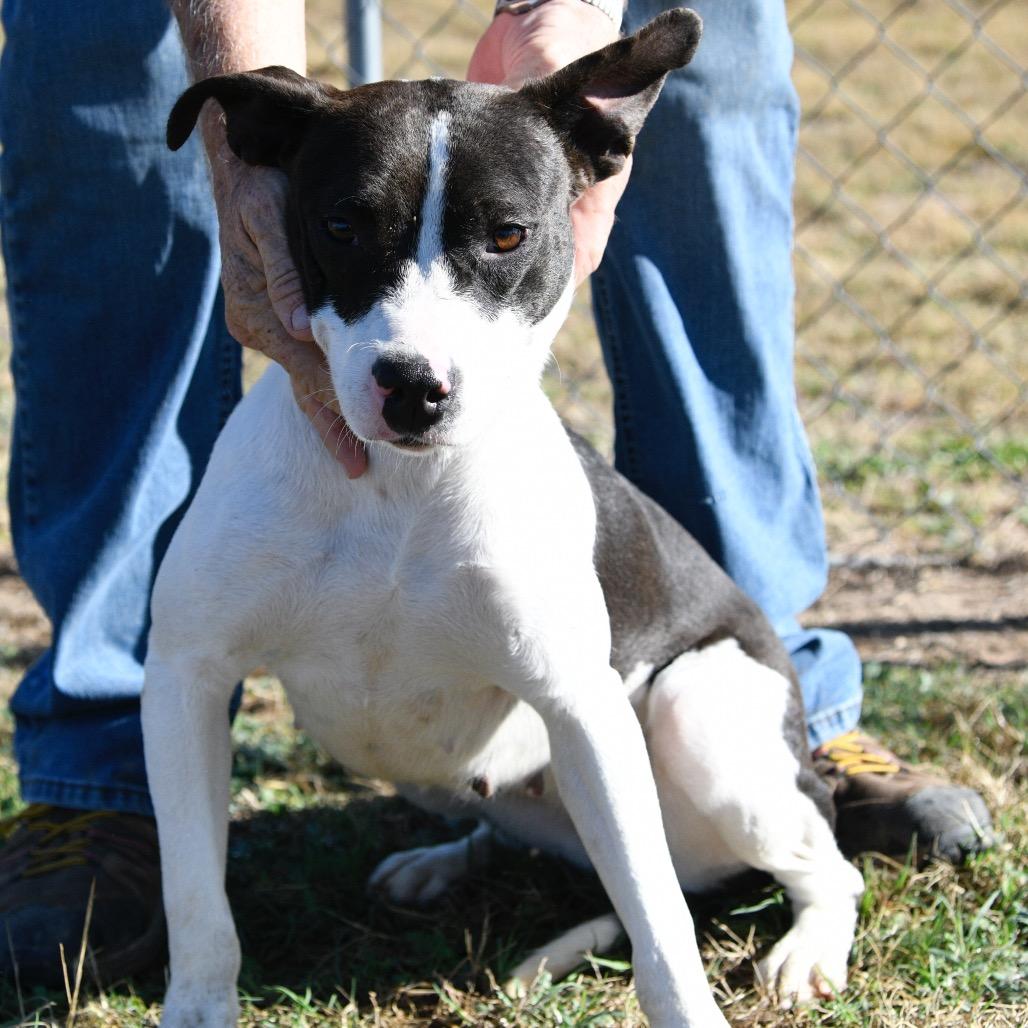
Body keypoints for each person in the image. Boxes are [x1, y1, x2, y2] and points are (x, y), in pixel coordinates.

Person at [0, 0, 991, 989]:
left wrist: (566, 16)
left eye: (505, 236)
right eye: (348, 228)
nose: (416, 345)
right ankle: (105, 785)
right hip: (485, 762)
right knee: (99, 35)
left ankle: (812, 837)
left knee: (674, 724)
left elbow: (583, 700)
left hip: (664, 681)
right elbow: (190, 662)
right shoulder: (261, 475)